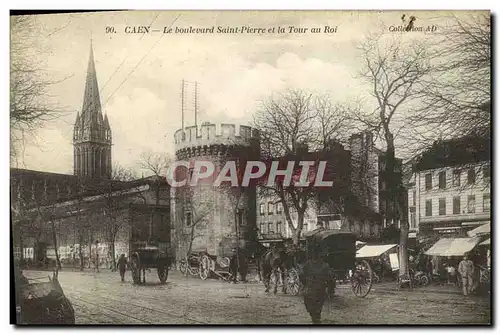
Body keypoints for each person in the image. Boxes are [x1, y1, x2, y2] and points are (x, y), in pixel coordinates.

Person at [299, 250, 330, 324]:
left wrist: (304, 284)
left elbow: (301, 275)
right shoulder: (325, 265)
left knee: (309, 303)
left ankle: (314, 317)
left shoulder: (307, 264)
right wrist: (327, 285)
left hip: (310, 287)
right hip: (321, 287)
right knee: (319, 303)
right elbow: (329, 278)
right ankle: (317, 316)